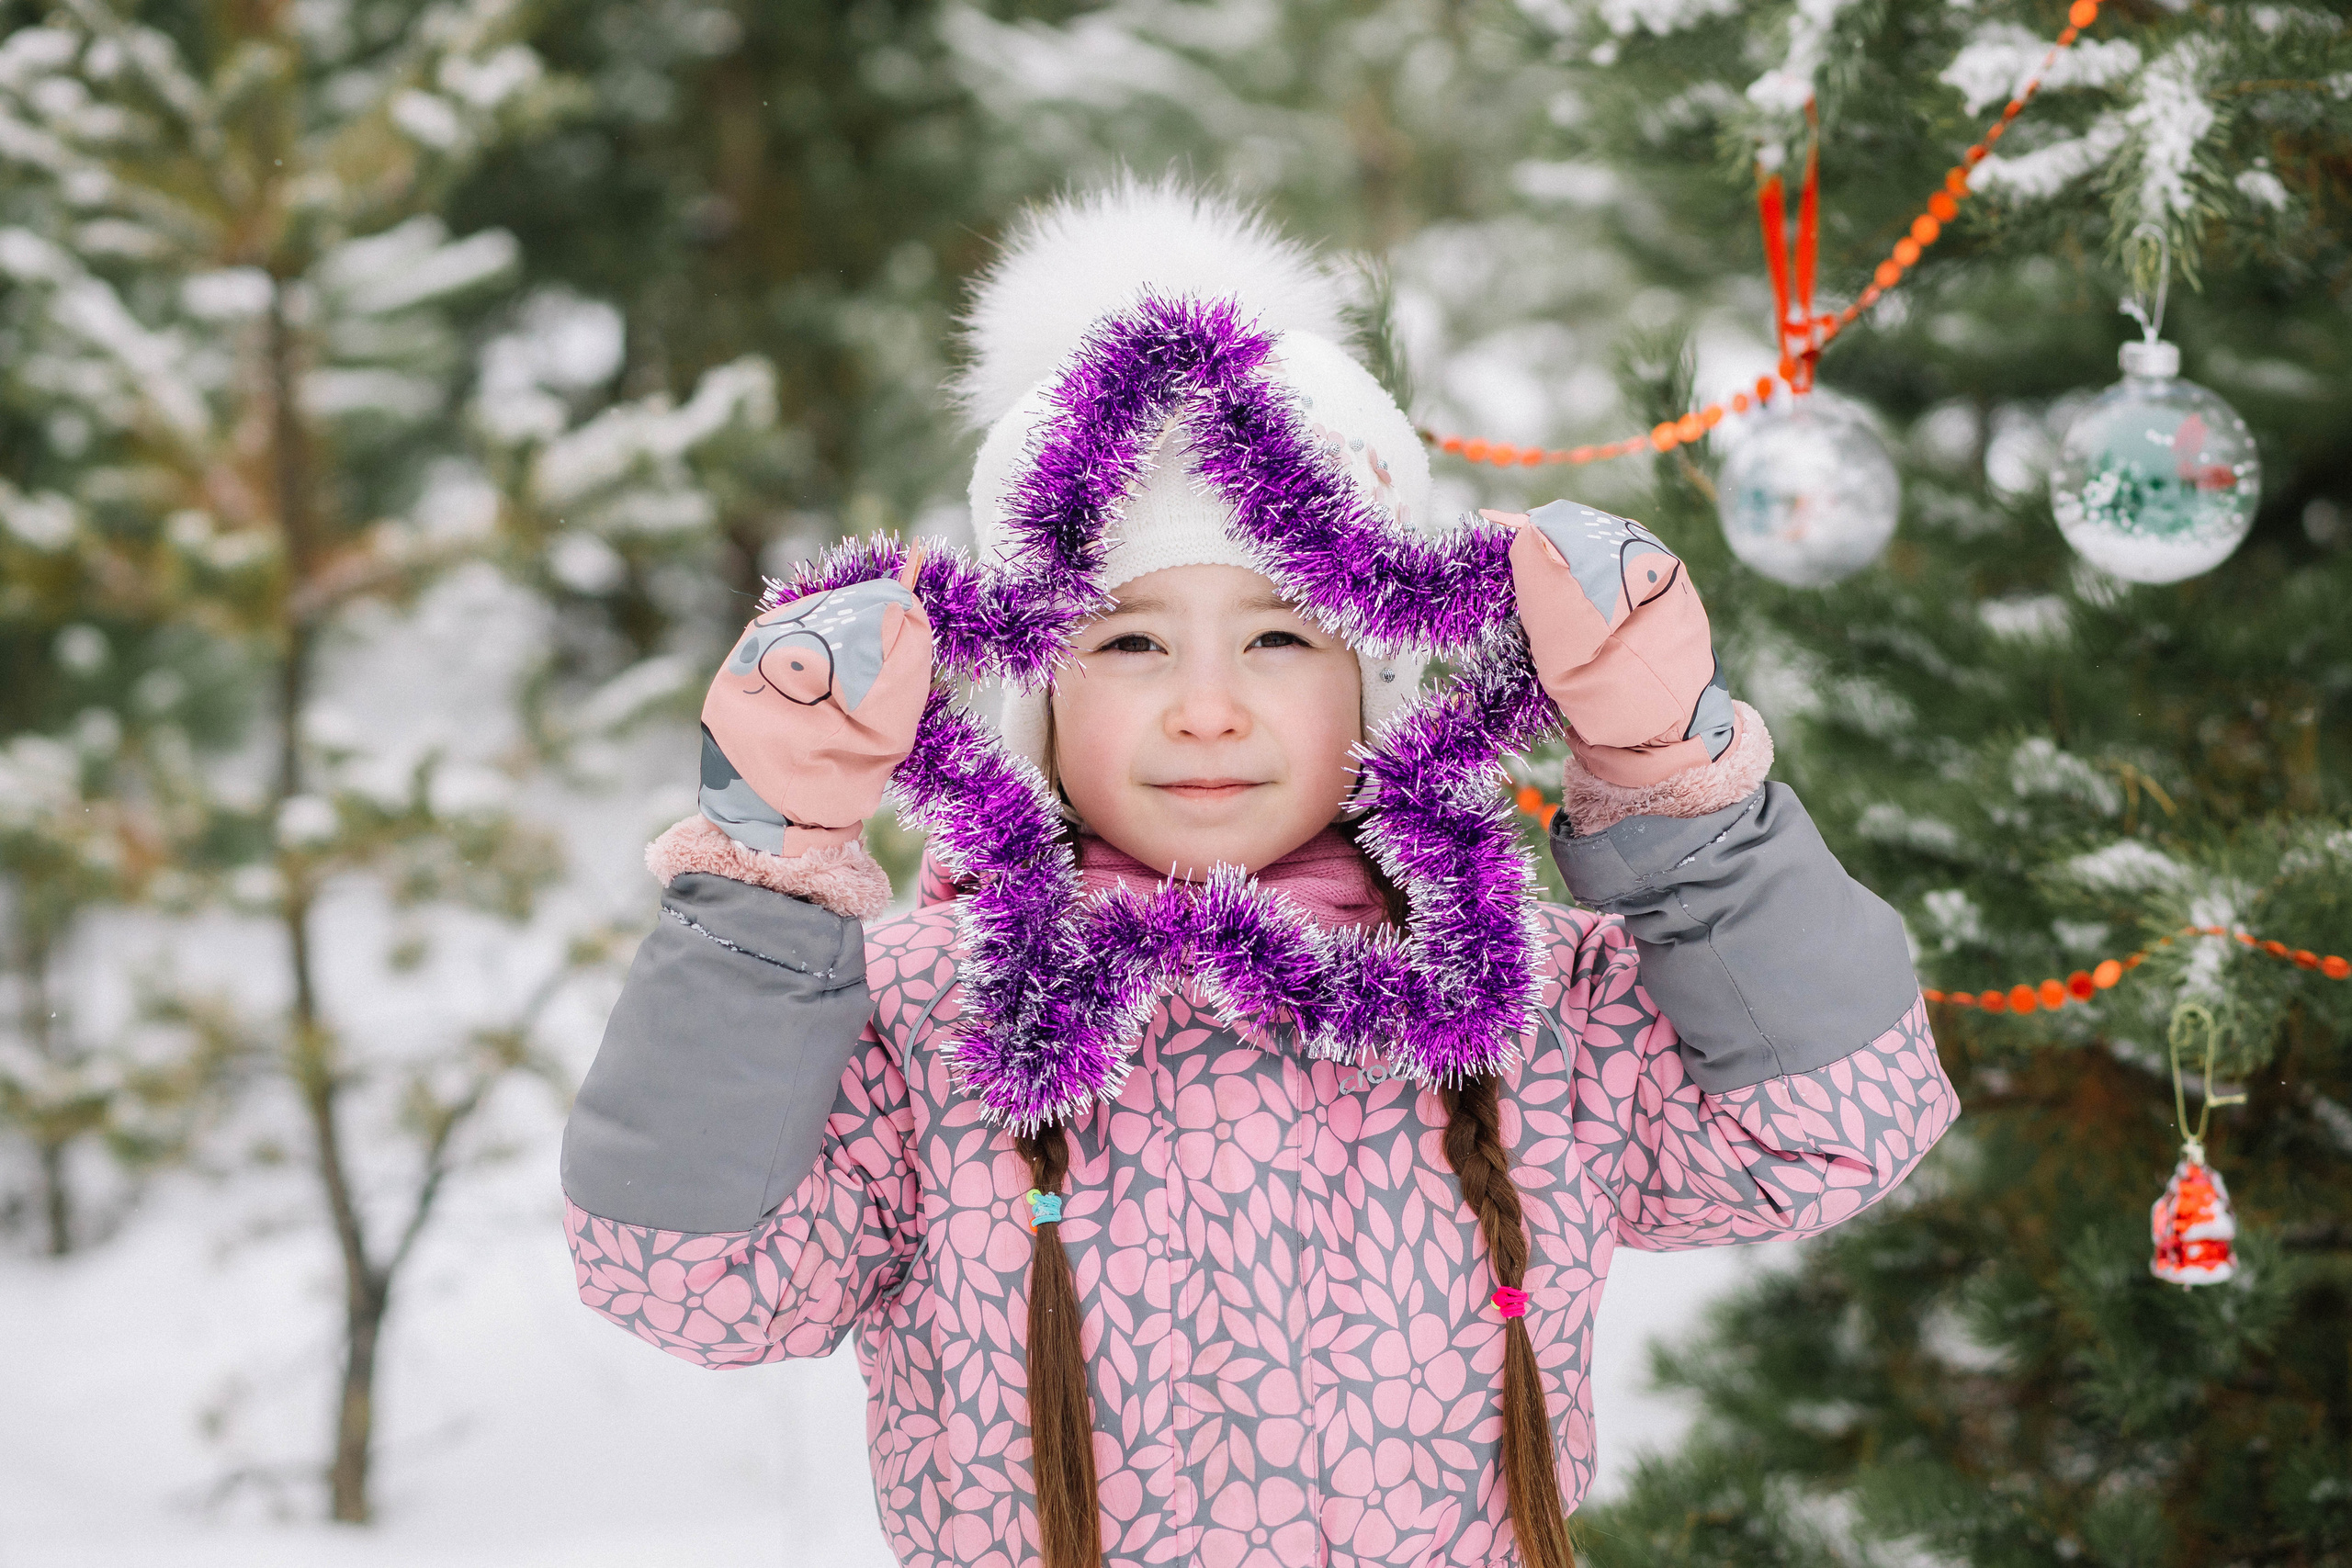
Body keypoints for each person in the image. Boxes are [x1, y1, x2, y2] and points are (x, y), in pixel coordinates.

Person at [560, 179, 1957, 1568]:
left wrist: (1677, 792)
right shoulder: (927, 1021)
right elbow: (693, 1283)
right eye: (1131, 644)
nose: (1208, 709)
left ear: (1381, 677)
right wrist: (762, 889)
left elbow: (1833, 1127)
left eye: (1282, 639)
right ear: (1033, 698)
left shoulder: (1533, 1008)